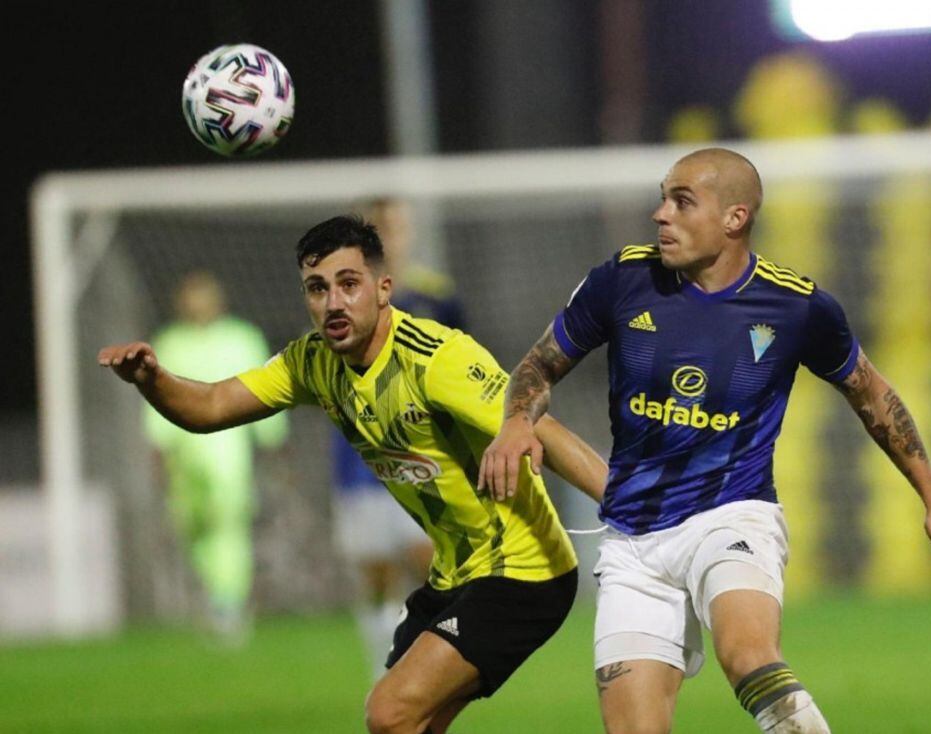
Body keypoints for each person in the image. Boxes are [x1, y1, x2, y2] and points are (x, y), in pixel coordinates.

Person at [480, 148, 931, 734]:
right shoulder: (622, 280)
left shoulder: (795, 306)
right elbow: (539, 365)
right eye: (663, 198)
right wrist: (517, 420)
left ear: (734, 218)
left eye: (681, 201)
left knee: (747, 657)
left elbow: (873, 397)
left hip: (731, 516)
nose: (660, 214)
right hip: (633, 543)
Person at [99, 215, 606, 734]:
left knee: (390, 712)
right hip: (454, 576)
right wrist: (150, 380)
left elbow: (547, 431)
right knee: (412, 723)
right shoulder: (312, 363)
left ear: (383, 289)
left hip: (524, 573)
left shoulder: (437, 359)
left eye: (348, 284)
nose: (333, 302)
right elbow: (210, 406)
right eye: (317, 289)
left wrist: (633, 511)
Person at [330, 197, 465, 675]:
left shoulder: (438, 297)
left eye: (398, 226)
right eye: (380, 227)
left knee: (429, 567)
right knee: (375, 575)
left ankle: (419, 670)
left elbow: (463, 373)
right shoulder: (341, 298)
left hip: (424, 456)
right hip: (361, 459)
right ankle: (381, 671)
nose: (391, 236)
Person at [144, 270, 287, 640]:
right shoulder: (170, 342)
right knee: (192, 528)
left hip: (229, 453)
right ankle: (215, 594)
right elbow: (156, 399)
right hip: (183, 456)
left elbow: (264, 389)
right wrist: (158, 450)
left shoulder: (242, 338)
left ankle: (228, 604)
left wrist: (273, 441)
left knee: (229, 529)